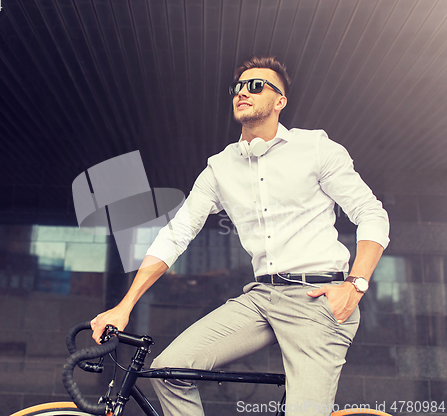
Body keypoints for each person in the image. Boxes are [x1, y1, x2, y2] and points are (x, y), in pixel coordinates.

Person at [91, 55, 389, 415]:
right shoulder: (219, 168)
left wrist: (354, 286)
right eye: (238, 87)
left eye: (256, 86)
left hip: (318, 300)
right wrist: (124, 307)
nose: (242, 92)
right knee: (170, 371)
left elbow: (371, 214)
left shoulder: (315, 149)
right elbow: (177, 233)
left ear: (280, 101)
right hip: (262, 297)